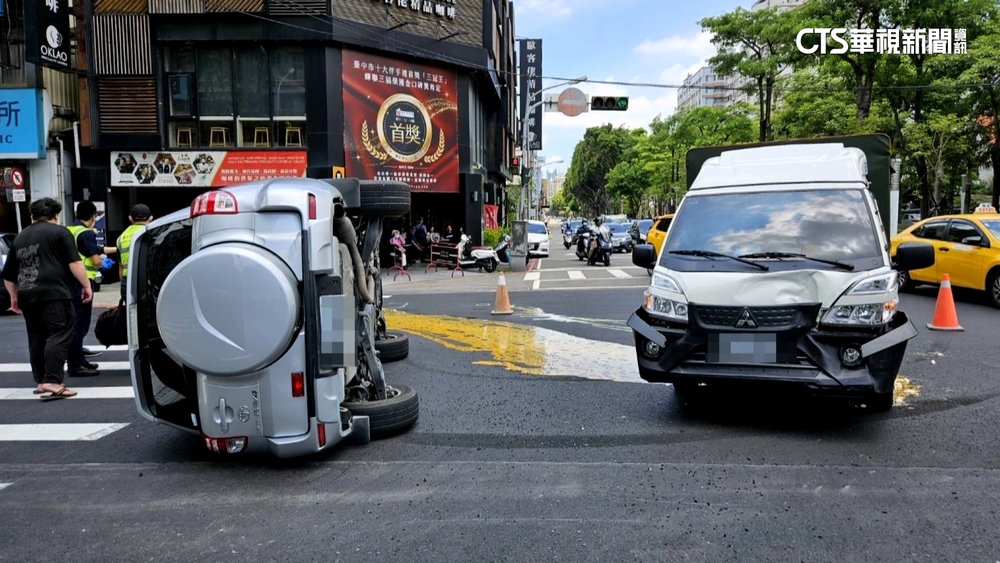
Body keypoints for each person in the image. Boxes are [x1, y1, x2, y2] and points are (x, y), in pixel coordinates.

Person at [1, 198, 93, 400]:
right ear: (56, 215)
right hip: (55, 292)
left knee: (36, 337)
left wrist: (13, 297)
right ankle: (53, 380)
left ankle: (42, 381)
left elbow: (8, 275)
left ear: (32, 216)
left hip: (27, 293)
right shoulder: (60, 232)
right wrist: (86, 285)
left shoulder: (20, 237)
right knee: (60, 332)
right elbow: (75, 263)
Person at [66, 201, 116, 376]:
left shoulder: (69, 230)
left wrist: (113, 250)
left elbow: (92, 249)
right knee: (80, 324)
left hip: (68, 281)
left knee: (72, 322)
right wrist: (103, 264)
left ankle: (79, 359)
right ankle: (75, 365)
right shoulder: (86, 233)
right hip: (82, 282)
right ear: (94, 216)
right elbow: (95, 260)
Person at [116, 203, 153, 302]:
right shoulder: (152, 233)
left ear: (130, 218)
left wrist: (124, 283)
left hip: (127, 280)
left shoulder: (121, 238)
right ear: (150, 218)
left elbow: (121, 266)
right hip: (147, 281)